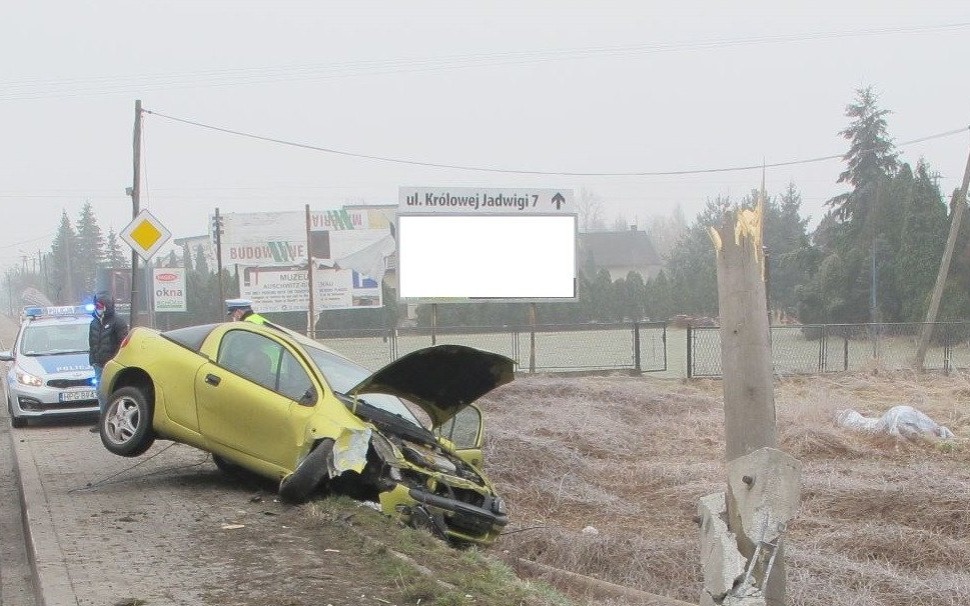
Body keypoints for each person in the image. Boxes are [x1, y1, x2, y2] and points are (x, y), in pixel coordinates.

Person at [89, 291, 129, 432]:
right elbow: (92, 343)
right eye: (96, 305)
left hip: (111, 364)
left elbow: (122, 343)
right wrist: (93, 360)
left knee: (108, 392)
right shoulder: (94, 322)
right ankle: (104, 420)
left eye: (99, 305)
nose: (97, 308)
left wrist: (116, 360)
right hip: (98, 365)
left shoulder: (118, 322)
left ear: (107, 306)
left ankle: (112, 420)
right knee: (100, 392)